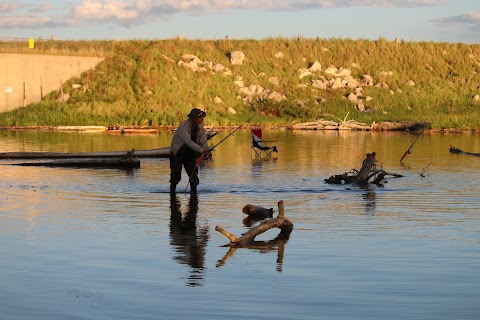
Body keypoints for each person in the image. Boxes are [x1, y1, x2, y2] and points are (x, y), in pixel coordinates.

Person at [170, 108, 212, 194]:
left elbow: (203, 140)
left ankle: (194, 194)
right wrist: (202, 151)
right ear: (194, 118)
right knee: (175, 175)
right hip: (177, 152)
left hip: (190, 153)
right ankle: (172, 193)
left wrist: (207, 150)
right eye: (200, 118)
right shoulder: (183, 127)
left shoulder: (200, 126)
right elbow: (188, 142)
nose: (202, 119)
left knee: (193, 176)